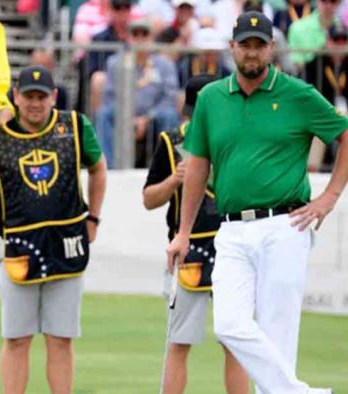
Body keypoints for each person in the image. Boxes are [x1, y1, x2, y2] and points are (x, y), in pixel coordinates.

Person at [166, 11, 348, 394]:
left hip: (286, 224)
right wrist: (183, 232)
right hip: (229, 228)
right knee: (229, 325)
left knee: (278, 334)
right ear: (232, 47)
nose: (251, 53)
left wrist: (329, 197)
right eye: (244, 45)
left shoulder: (298, 93)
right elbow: (197, 166)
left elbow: (344, 134)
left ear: (271, 49)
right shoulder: (212, 98)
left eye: (259, 45)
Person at [0, 65, 107, 394]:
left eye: (42, 96)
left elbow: (98, 168)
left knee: (61, 338)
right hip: (18, 249)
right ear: (16, 97)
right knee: (16, 338)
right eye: (29, 96)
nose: (35, 103)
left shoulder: (76, 126)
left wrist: (93, 218)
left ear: (54, 97)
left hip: (66, 246)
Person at [143, 74, 248, 394]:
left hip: (233, 246)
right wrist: (174, 180)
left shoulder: (240, 137)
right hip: (188, 251)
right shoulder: (170, 140)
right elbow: (149, 199)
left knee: (236, 341)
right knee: (179, 341)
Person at [95, 19, 180, 168]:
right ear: (129, 38)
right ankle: (108, 168)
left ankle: (168, 167)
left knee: (169, 115)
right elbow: (109, 97)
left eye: (144, 34)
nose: (140, 38)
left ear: (151, 38)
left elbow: (169, 97)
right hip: (123, 114)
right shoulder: (115, 63)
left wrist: (147, 118)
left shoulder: (165, 64)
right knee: (103, 114)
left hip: (154, 116)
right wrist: (128, 117)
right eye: (135, 34)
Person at [304, 23, 348, 172]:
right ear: (328, 42)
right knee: (318, 127)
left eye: (344, 41)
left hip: (344, 113)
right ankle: (312, 172)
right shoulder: (314, 64)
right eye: (336, 41)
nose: (340, 45)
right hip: (322, 113)